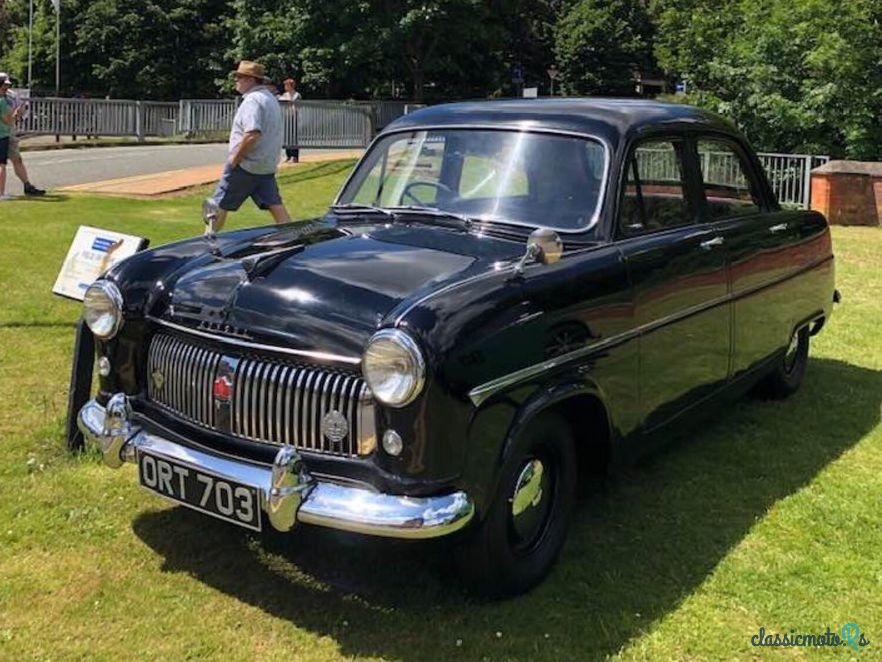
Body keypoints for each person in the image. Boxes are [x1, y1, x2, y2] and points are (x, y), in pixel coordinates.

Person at [207, 61, 292, 232]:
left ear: (251, 80)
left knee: (217, 206)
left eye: (239, 77)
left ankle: (208, 245)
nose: (235, 80)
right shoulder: (270, 99)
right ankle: (293, 238)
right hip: (266, 166)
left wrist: (235, 159)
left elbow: (252, 133)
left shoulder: (252, 101)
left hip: (246, 165)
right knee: (276, 206)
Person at [0, 73, 46, 196]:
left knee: (17, 159)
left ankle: (27, 185)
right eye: (4, 84)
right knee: (2, 164)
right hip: (4, 129)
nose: (6, 87)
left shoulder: (12, 95)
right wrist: (14, 115)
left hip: (8, 131)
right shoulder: (2, 99)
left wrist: (19, 113)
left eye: (7, 85)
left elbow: (21, 108)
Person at [277, 77, 301, 163]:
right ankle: (288, 156)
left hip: (293, 116)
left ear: (291, 86)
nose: (285, 87)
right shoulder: (284, 95)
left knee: (293, 137)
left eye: (286, 85)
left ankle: (295, 156)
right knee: (287, 136)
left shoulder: (296, 95)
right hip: (286, 116)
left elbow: (297, 105)